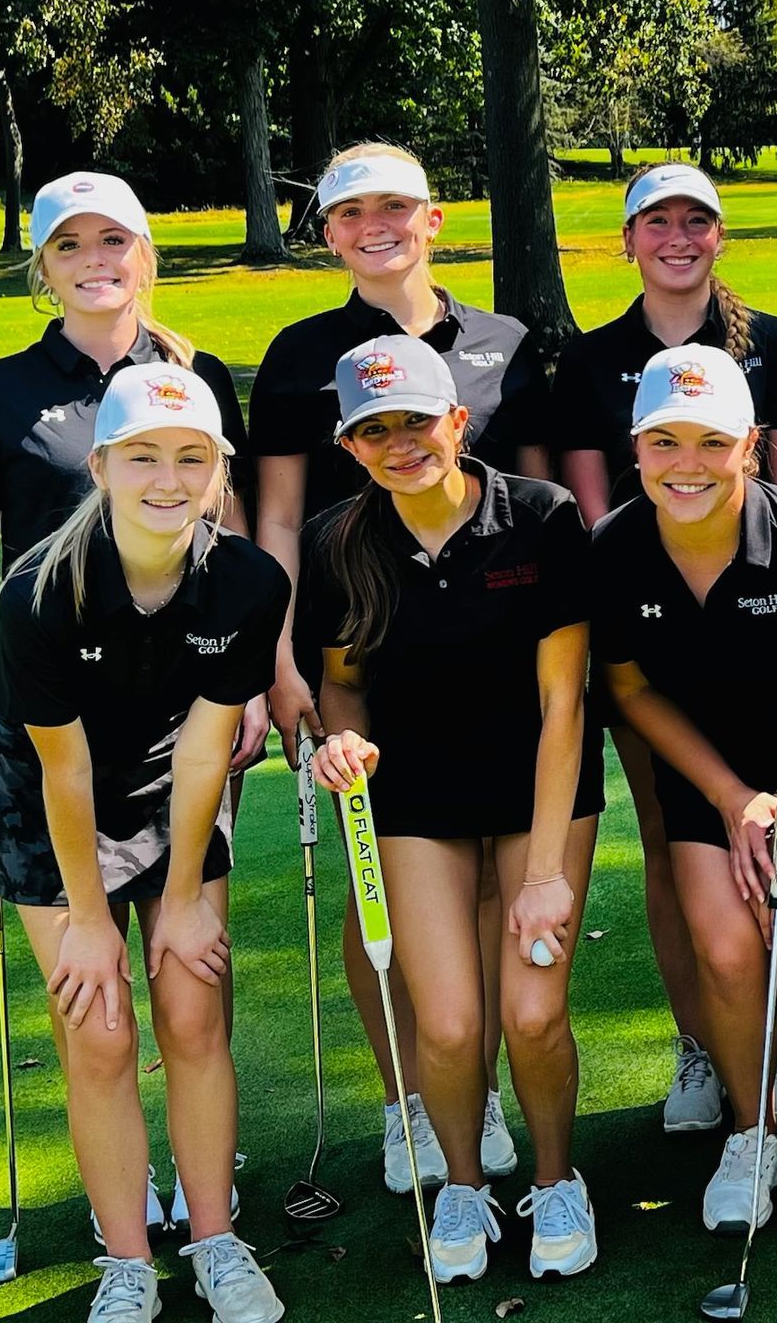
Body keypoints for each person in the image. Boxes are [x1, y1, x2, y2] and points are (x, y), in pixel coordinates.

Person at [0, 169, 260, 1233]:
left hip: (179, 730)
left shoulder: (196, 374)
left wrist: (247, 686)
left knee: (188, 993)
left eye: (111, 241)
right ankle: (127, 1233)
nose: (93, 261)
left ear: (144, 254)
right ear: (43, 266)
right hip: (45, 729)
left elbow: (239, 539)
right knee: (100, 1019)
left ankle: (208, 1208)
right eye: (69, 245)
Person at [251, 143, 546, 1192]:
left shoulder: (508, 342)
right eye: (350, 213)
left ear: (433, 217)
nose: (375, 226)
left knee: (475, 888)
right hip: (356, 663)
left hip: (497, 659)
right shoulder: (297, 354)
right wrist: (280, 662)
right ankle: (403, 1101)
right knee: (378, 884)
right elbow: (280, 518)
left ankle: (474, 1084)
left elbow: (536, 506)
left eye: (396, 207)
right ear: (327, 232)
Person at [0, 364, 289, 1323]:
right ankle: (126, 1260)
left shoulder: (246, 580)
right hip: (47, 800)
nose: (168, 477)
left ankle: (215, 1242)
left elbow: (202, 755)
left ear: (218, 472)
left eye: (192, 457)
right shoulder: (38, 592)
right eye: (143, 456)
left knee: (191, 1013)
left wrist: (184, 893)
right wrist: (85, 920)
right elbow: (62, 773)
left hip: (169, 786)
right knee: (100, 1029)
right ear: (103, 465)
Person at [304, 335, 605, 1280]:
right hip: (416, 799)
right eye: (375, 430)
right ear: (351, 445)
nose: (401, 444)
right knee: (445, 1025)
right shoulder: (340, 542)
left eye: (418, 421)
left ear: (459, 421)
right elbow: (342, 683)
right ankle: (465, 1188)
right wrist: (339, 739)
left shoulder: (542, 518)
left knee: (532, 1016)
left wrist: (548, 873)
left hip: (537, 795)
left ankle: (557, 1182)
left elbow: (566, 703)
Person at [589, 345, 777, 1234]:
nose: (688, 465)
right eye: (665, 442)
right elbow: (633, 689)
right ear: (636, 446)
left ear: (750, 445)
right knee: (723, 949)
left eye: (712, 443)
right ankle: (753, 1130)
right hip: (710, 771)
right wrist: (730, 797)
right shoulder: (613, 551)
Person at [552, 163, 777, 1131]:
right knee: (677, 838)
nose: (676, 237)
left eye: (695, 221)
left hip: (766, 630)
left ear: (720, 235)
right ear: (626, 240)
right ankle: (703, 1043)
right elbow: (594, 508)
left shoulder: (772, 347)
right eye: (655, 221)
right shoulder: (589, 361)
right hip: (650, 635)